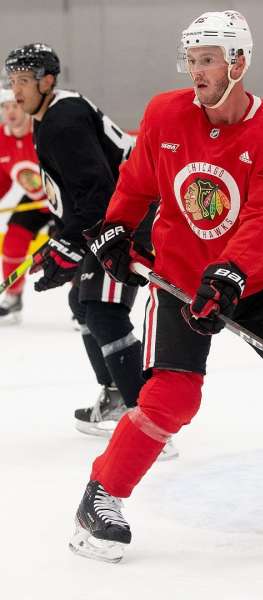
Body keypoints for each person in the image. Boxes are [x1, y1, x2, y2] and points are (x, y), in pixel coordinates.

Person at [69, 10, 263, 563]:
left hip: (257, 279)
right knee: (172, 397)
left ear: (239, 62)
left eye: (207, 60)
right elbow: (136, 184)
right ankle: (100, 498)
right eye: (191, 60)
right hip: (181, 280)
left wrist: (230, 273)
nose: (196, 72)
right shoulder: (165, 114)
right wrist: (116, 227)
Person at [4, 44, 166, 446]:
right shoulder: (50, 116)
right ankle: (117, 395)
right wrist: (61, 242)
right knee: (82, 303)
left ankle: (147, 420)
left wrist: (68, 245)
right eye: (12, 81)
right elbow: (78, 195)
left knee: (103, 311)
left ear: (47, 81)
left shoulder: (63, 120)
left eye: (23, 81)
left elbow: (98, 193)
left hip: (130, 218)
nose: (16, 91)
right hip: (112, 217)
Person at [0, 86, 52, 322]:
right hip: (35, 201)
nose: (11, 112)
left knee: (68, 249)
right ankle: (13, 296)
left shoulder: (43, 130)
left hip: (63, 198)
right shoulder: (1, 138)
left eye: (15, 105)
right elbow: (2, 180)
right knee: (13, 240)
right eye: (5, 107)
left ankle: (81, 305)